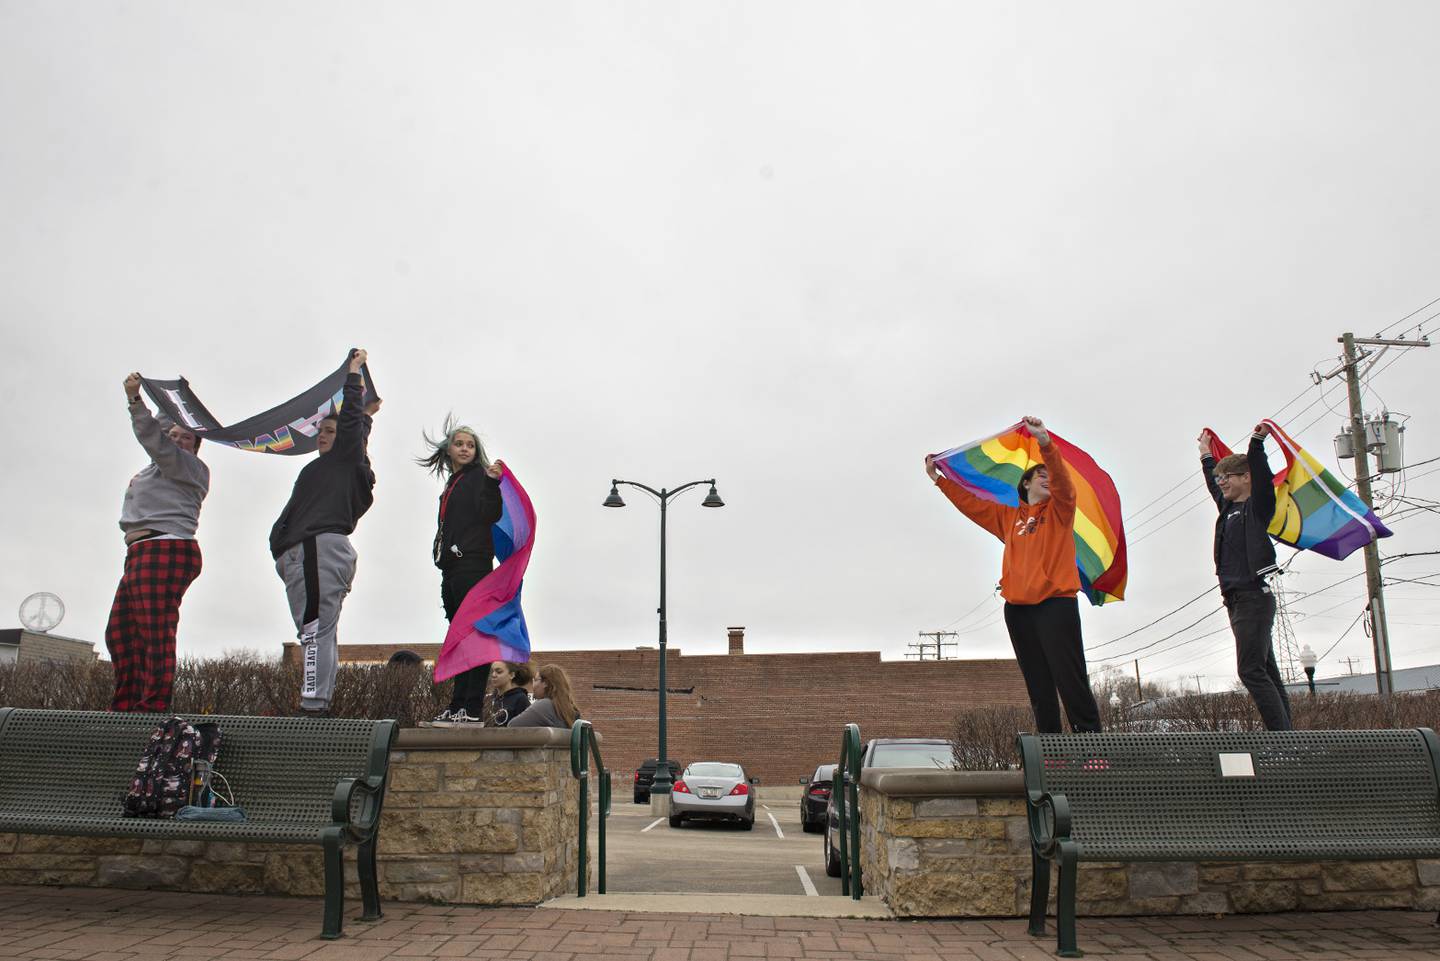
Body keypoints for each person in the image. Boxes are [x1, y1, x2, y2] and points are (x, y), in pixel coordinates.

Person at [926, 416, 1102, 734]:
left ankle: (1091, 744)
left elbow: (1063, 481)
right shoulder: (1007, 518)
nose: (1048, 478)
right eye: (1040, 476)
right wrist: (940, 480)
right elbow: (971, 504)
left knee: (1069, 676)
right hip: (1018, 610)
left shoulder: (1060, 510)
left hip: (1056, 605)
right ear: (1025, 484)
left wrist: (1045, 443)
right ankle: (1051, 750)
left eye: (1050, 475)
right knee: (1038, 682)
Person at [270, 348, 379, 717]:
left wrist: (353, 380)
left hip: (318, 547)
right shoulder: (324, 471)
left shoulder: (346, 460)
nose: (321, 435)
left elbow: (351, 426)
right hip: (305, 550)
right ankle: (318, 701)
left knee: (314, 630)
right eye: (320, 429)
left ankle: (313, 705)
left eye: (329, 431)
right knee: (321, 631)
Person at [107, 373, 210, 712]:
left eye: (187, 439)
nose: (179, 440)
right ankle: (127, 702)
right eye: (176, 436)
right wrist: (173, 401)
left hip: (166, 547)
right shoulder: (154, 468)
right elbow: (164, 428)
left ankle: (152, 704)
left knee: (155, 630)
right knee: (121, 632)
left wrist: (135, 400)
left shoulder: (188, 466)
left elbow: (156, 438)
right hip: (139, 553)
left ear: (194, 448)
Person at [1199, 423, 1293, 731]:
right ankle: (1287, 737)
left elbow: (1263, 477)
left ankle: (1282, 740)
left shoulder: (1258, 507)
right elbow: (1214, 486)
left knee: (1250, 670)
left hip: (1254, 597)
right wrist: (1205, 456)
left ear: (1246, 477)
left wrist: (1257, 442)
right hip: (1236, 601)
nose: (1222, 482)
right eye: (1220, 477)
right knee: (1267, 671)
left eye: (1228, 477)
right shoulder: (1227, 509)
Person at [418, 416, 505, 723]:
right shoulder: (452, 484)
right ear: (448, 449)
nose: (465, 448)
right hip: (451, 568)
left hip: (473, 565)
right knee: (458, 637)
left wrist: (493, 484)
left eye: (470, 445)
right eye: (460, 444)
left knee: (474, 636)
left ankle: (470, 708)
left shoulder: (479, 477)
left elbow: (490, 513)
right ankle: (457, 706)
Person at [510, 664, 581, 728]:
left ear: (545, 683)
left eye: (535, 680)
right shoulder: (571, 709)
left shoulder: (545, 705)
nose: (533, 685)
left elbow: (512, 725)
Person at [482, 661, 534, 727]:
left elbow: (526, 729)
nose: (493, 675)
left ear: (511, 675)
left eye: (499, 672)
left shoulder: (520, 699)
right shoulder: (489, 699)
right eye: (492, 672)